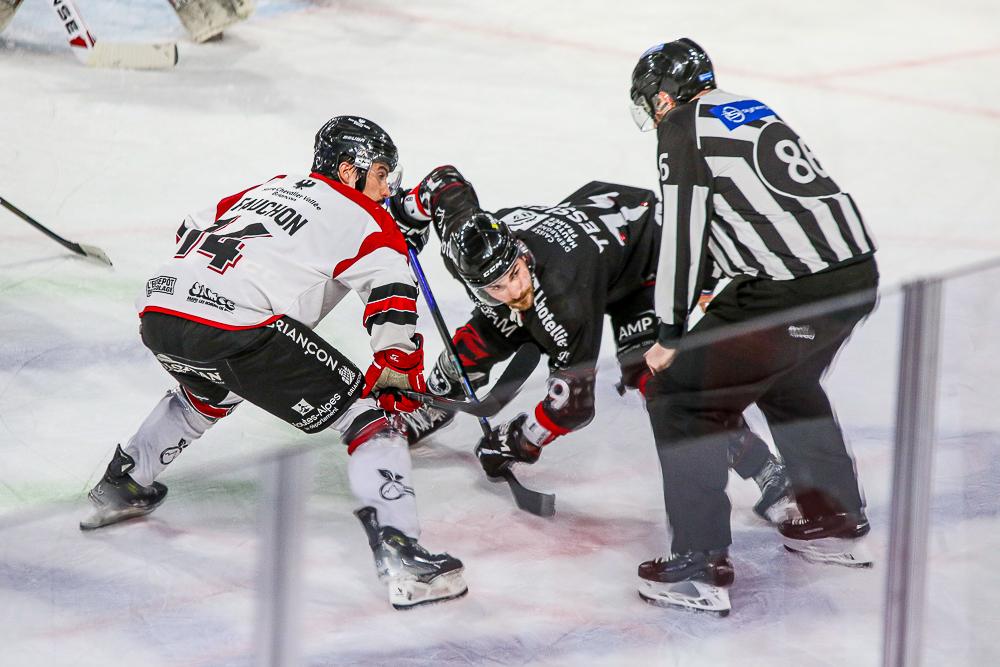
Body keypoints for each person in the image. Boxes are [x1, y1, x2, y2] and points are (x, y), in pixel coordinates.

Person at [79, 116, 467, 610]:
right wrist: (398, 371)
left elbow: (192, 225)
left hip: (160, 309)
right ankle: (403, 558)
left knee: (206, 395)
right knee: (370, 421)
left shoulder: (276, 185)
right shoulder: (368, 220)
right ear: (348, 171)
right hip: (236, 324)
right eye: (380, 174)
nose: (387, 187)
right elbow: (392, 293)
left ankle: (122, 483)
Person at [628, 39, 880, 614]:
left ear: (664, 97)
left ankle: (698, 565)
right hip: (854, 275)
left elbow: (685, 233)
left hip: (791, 290)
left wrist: (669, 334)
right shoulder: (745, 108)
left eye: (650, 101)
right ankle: (834, 518)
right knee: (788, 380)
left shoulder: (683, 126)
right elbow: (751, 216)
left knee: (681, 398)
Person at [387, 166, 791, 521]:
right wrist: (404, 213)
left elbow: (573, 405)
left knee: (658, 380)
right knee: (470, 348)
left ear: (520, 252)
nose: (514, 290)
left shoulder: (565, 300)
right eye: (495, 286)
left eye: (514, 273)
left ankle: (766, 469)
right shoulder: (466, 235)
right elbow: (444, 183)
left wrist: (519, 441)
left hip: (645, 258)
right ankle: (437, 404)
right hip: (597, 230)